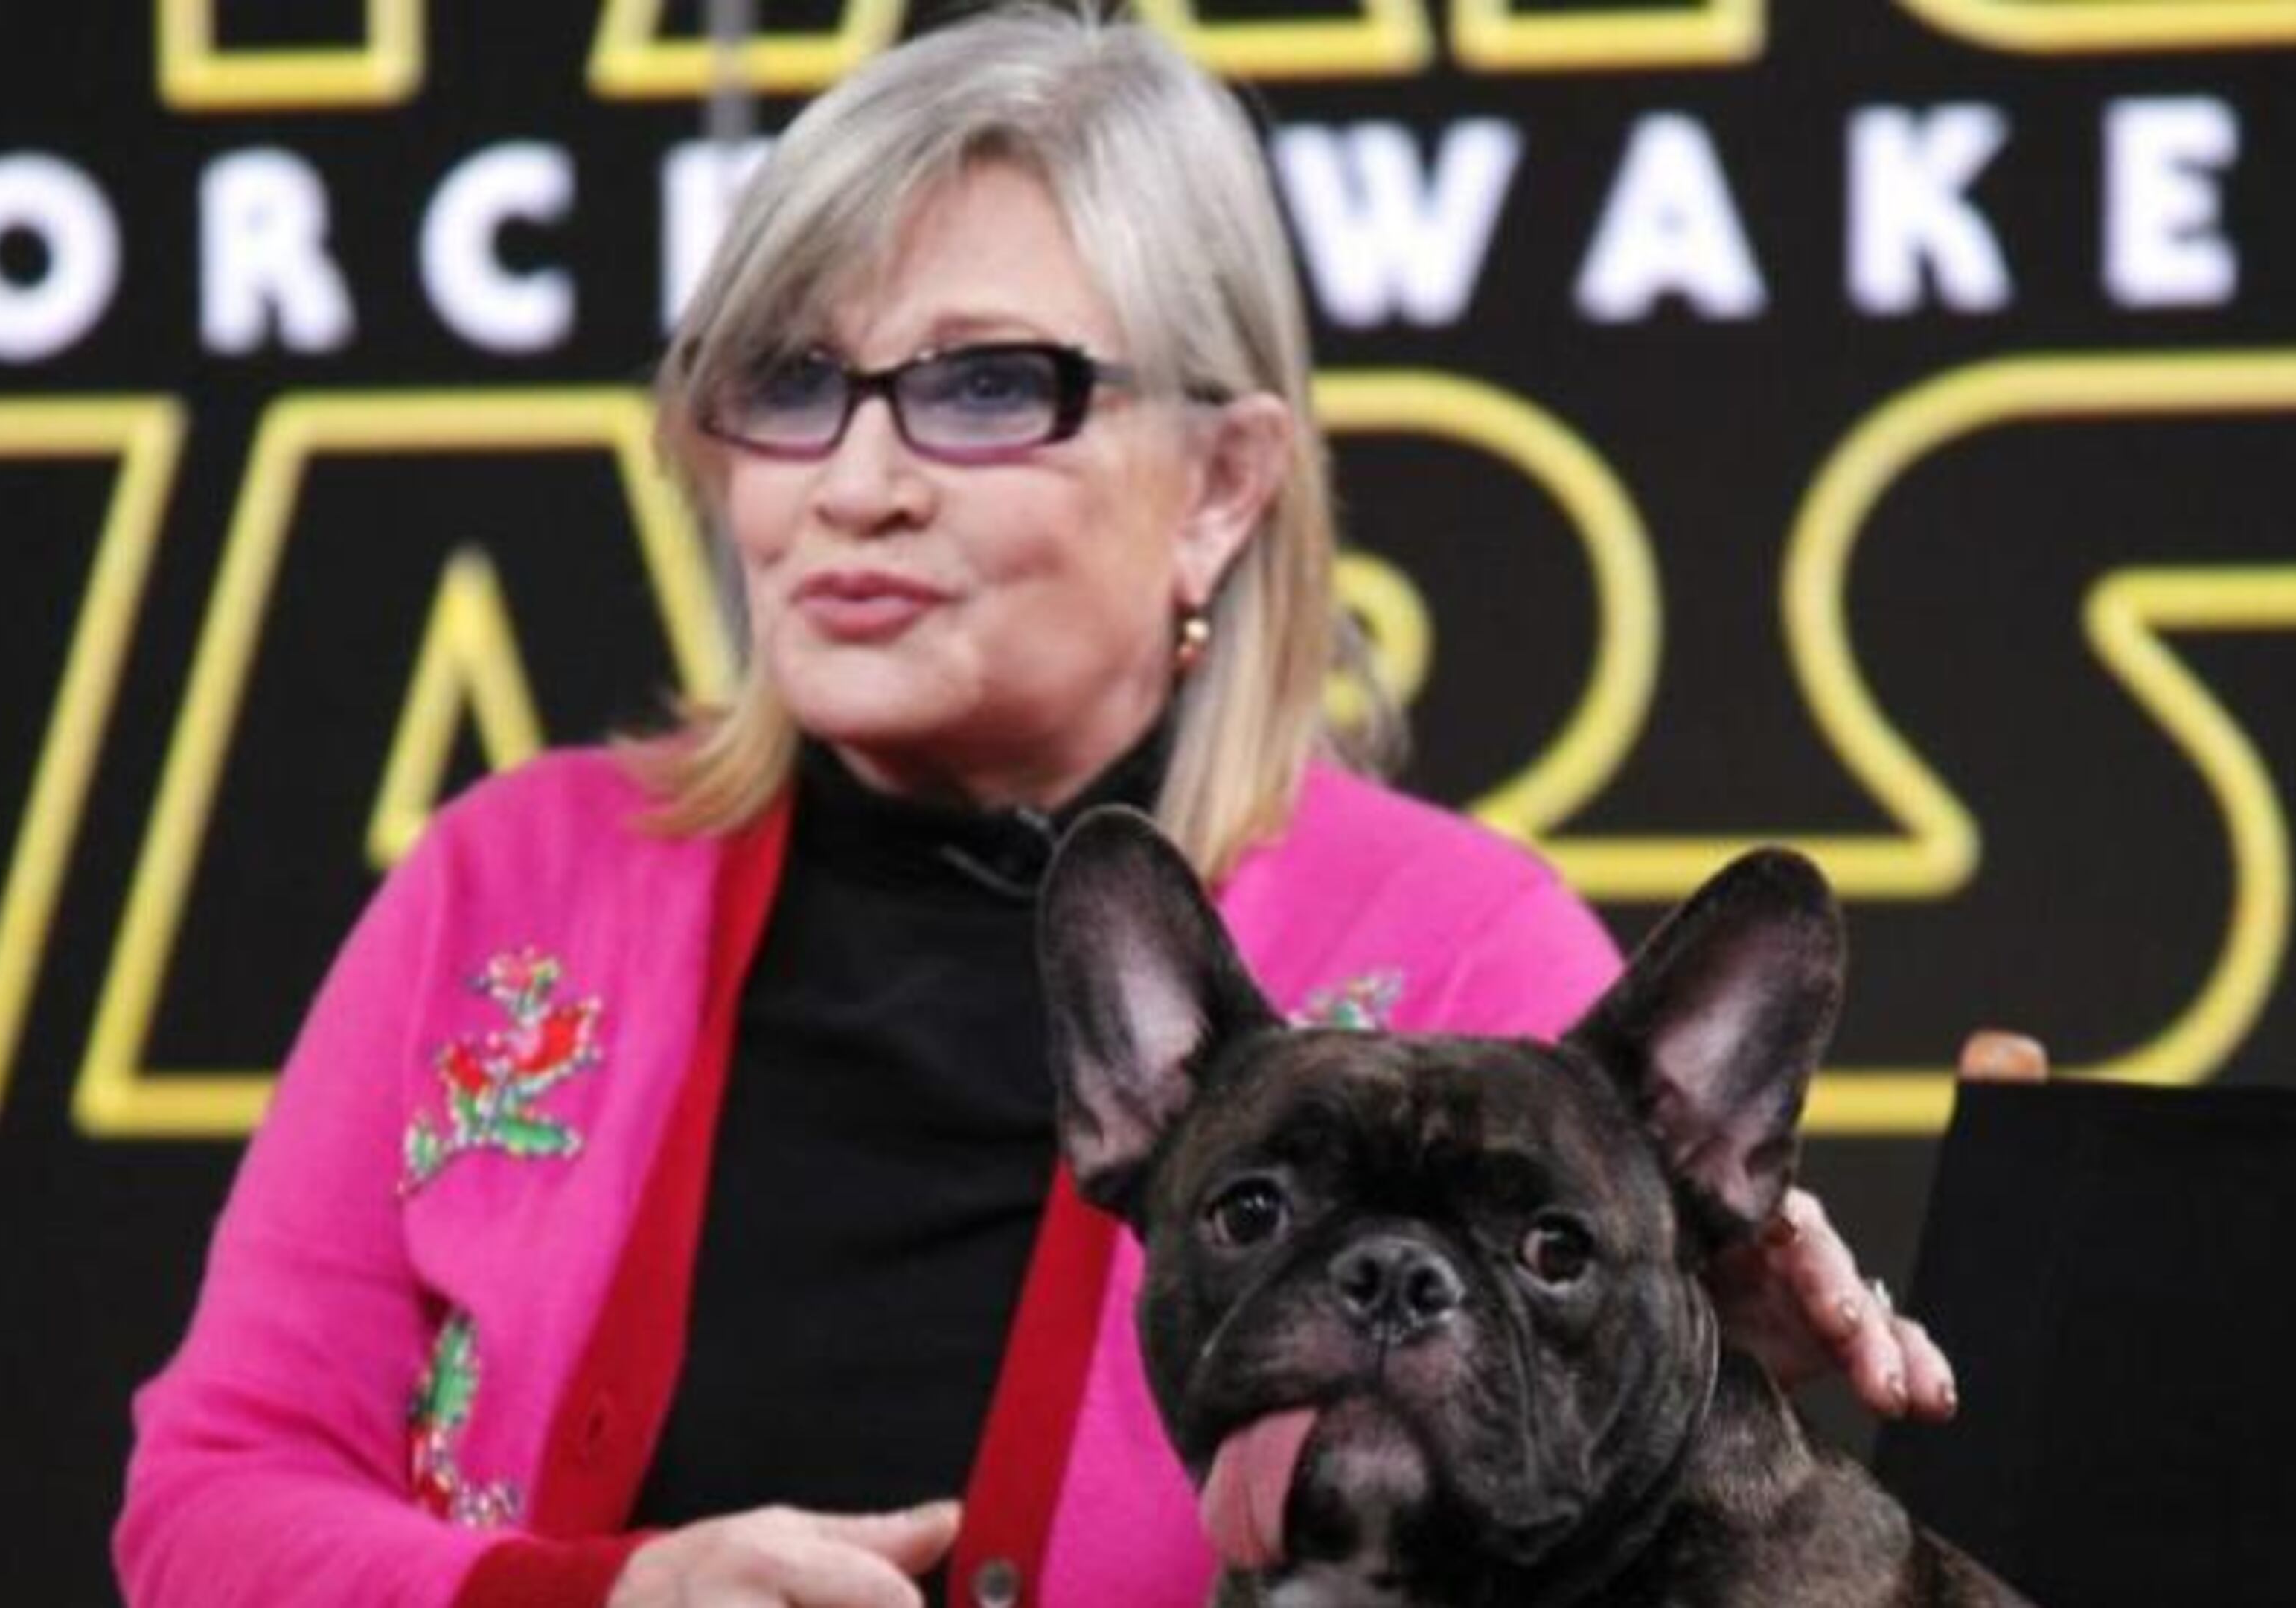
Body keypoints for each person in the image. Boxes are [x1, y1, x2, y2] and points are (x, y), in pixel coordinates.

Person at [113, 8, 1965, 1606]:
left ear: (1224, 486)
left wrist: (1700, 1373)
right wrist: (583, 1593)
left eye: (989, 388)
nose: (854, 481)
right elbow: (202, 1506)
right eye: (789, 382)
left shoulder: (1461, 946)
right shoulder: (516, 879)